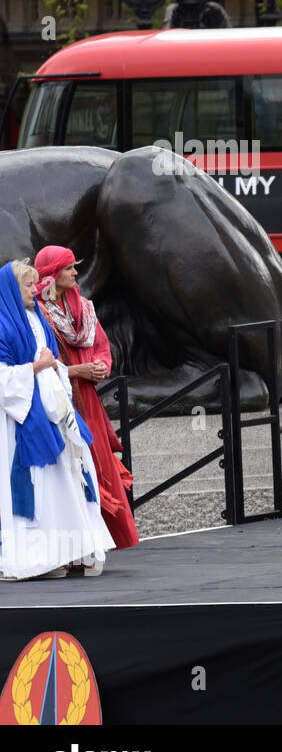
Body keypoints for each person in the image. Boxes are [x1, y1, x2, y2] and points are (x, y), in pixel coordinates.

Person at [0, 259, 114, 580]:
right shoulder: (3, 324)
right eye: (26, 285)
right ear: (11, 289)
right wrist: (37, 367)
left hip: (52, 411)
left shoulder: (38, 318)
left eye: (34, 284)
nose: (33, 290)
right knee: (37, 481)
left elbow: (53, 362)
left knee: (68, 474)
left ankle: (66, 551)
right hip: (22, 418)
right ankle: (38, 557)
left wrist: (52, 367)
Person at [34, 246, 138, 549]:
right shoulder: (39, 313)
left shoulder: (85, 308)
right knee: (75, 466)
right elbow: (39, 360)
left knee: (99, 463)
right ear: (52, 274)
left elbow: (102, 347)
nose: (75, 273)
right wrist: (76, 370)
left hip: (88, 397)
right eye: (68, 268)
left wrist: (100, 366)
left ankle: (109, 538)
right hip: (59, 400)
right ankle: (81, 543)